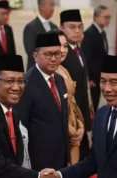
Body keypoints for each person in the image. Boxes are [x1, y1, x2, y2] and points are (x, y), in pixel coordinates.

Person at [43, 55, 117, 178]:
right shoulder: (102, 114)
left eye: (114, 82)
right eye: (103, 81)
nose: (107, 89)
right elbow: (94, 161)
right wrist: (59, 175)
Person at [16, 32, 70, 171]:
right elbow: (22, 127)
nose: (53, 59)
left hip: (61, 158)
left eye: (57, 54)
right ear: (35, 56)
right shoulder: (26, 83)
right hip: (38, 161)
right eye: (48, 54)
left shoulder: (59, 80)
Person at [52, 29, 91, 165]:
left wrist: (80, 127)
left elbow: (73, 103)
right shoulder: (48, 75)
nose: (63, 50)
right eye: (59, 46)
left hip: (74, 129)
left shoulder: (64, 70)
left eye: (65, 46)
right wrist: (72, 131)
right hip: (60, 132)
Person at [60, 9, 93, 152]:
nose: (77, 31)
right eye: (72, 27)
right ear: (61, 28)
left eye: (80, 27)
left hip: (83, 111)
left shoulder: (78, 49)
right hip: (70, 116)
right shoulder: (61, 54)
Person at [81, 5, 110, 112]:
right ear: (96, 17)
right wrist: (88, 78)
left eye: (109, 17)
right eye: (105, 17)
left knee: (96, 104)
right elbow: (85, 58)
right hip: (92, 80)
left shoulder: (102, 32)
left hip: (99, 77)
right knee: (90, 108)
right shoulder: (89, 33)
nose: (108, 20)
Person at [23, 0, 57, 70]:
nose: (53, 8)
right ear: (41, 6)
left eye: (53, 5)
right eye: (51, 5)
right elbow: (30, 51)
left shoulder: (54, 27)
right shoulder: (31, 27)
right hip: (36, 70)